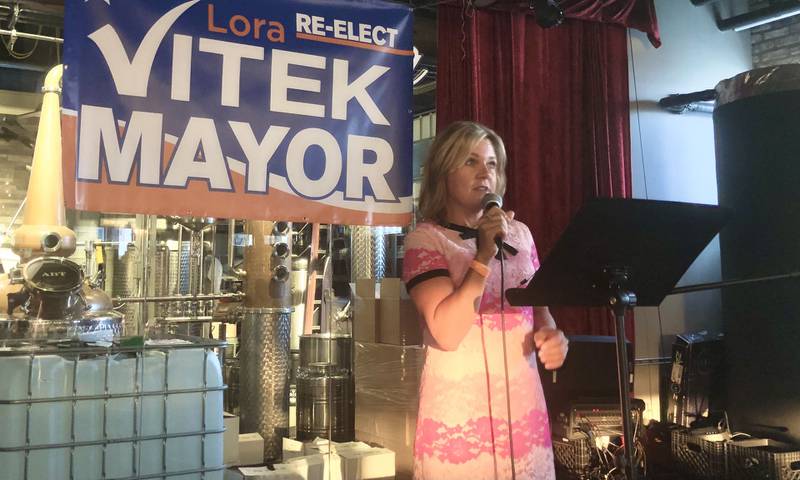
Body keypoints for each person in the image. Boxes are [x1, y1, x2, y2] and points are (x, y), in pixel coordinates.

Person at [402, 121, 569, 480]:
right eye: (471, 162)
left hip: (523, 412)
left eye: (492, 164)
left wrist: (554, 336)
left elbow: (541, 311)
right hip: (461, 419)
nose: (484, 173)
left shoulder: (521, 235)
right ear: (444, 171)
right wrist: (482, 256)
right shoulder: (425, 240)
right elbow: (446, 333)